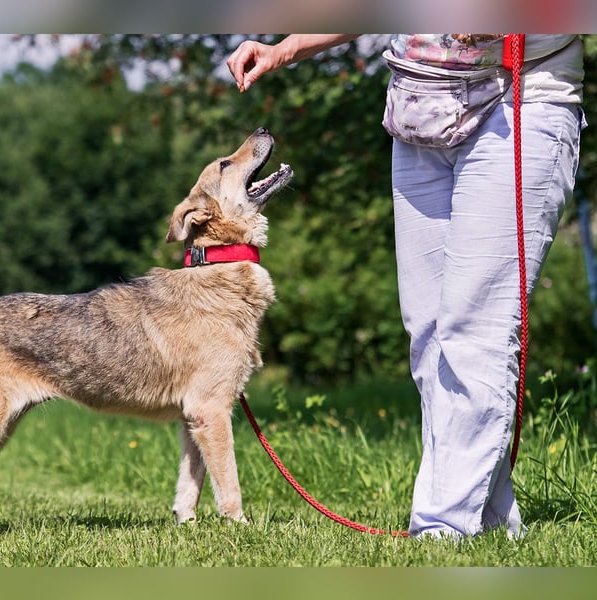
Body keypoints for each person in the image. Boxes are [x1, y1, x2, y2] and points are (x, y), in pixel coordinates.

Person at [227, 34, 585, 538]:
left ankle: (443, 528)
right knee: (430, 333)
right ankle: (492, 518)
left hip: (519, 98)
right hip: (421, 107)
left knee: (474, 329)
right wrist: (284, 49)